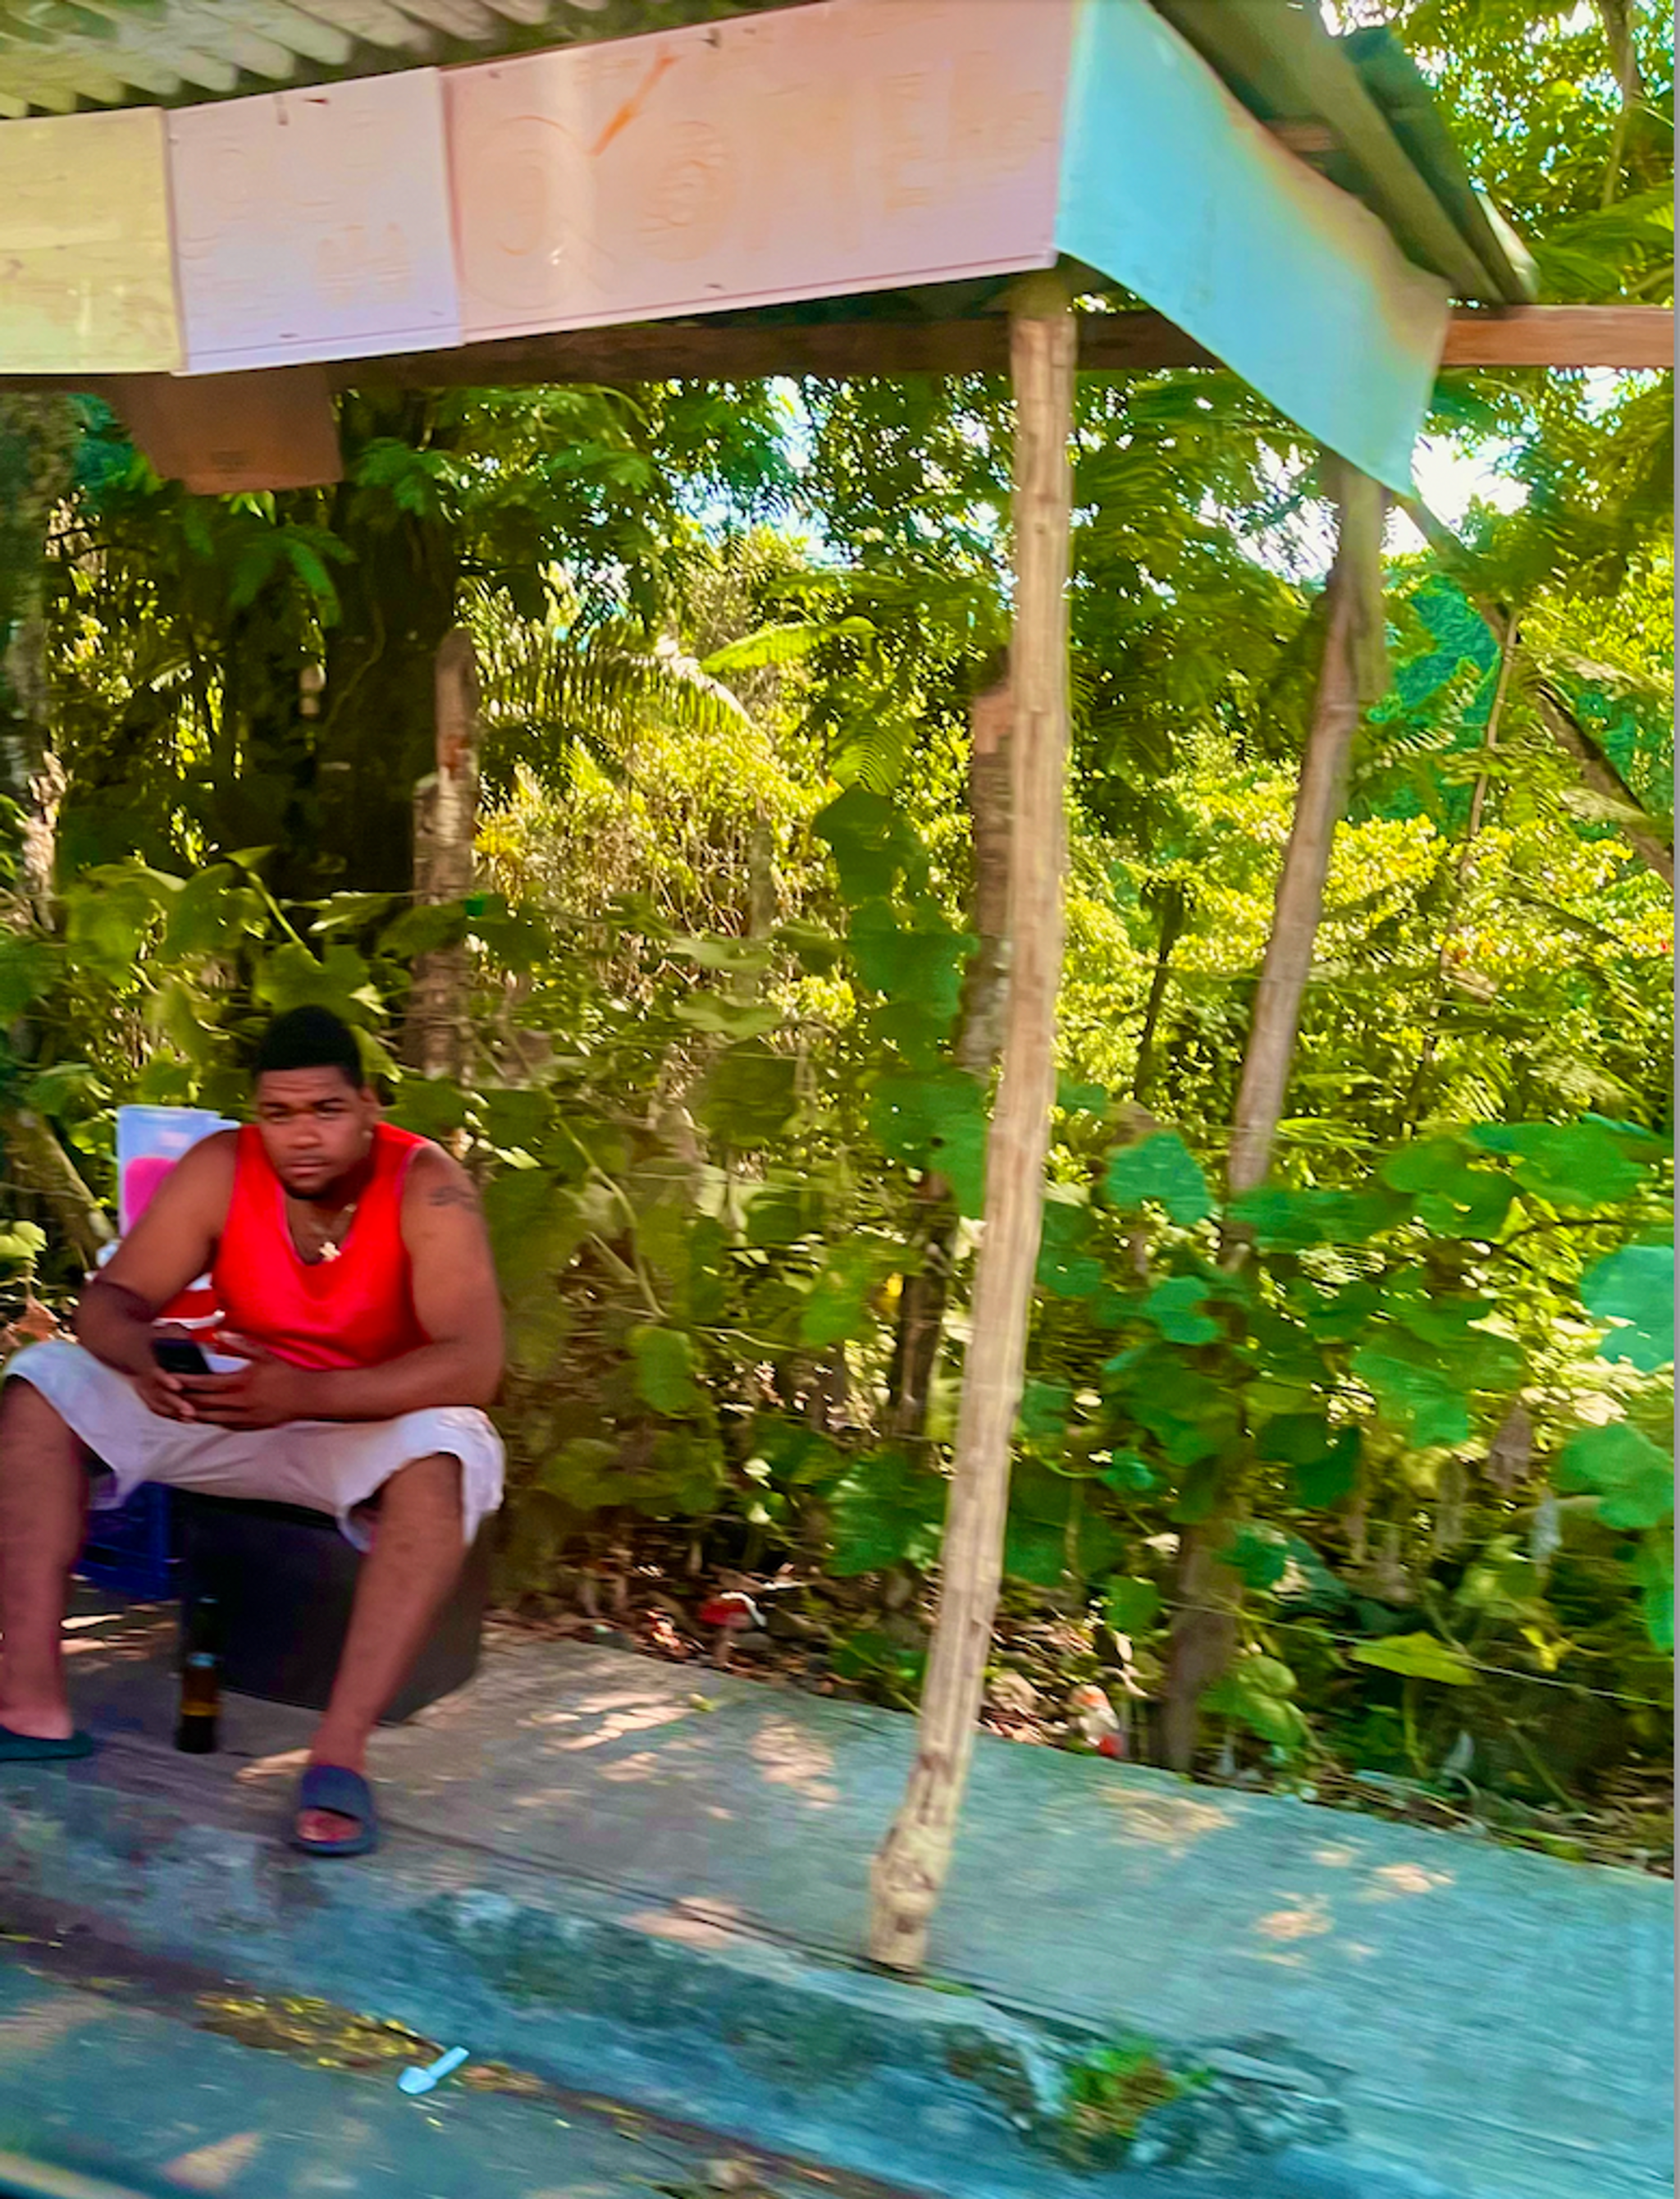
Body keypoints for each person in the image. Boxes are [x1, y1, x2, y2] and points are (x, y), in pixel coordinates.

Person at [0, 1005, 505, 1858]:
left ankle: (338, 1756)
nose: (301, 1136)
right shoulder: (221, 1168)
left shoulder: (428, 1184)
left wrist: (309, 1392)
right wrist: (144, 1360)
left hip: (362, 1418)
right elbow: (108, 1305)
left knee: (450, 1449)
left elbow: (473, 1365)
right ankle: (29, 1703)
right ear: (255, 1115)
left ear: (370, 1107)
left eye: (326, 1111)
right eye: (278, 1114)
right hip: (239, 1397)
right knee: (40, 1382)